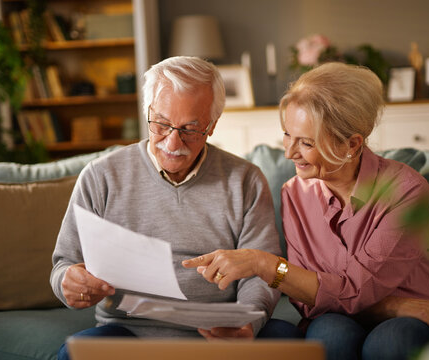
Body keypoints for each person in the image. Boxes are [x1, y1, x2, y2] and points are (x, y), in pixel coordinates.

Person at [183, 62, 429, 360]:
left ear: (351, 144)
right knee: (328, 333)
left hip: (421, 312)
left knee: (389, 342)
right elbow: (305, 302)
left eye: (306, 142)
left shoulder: (405, 190)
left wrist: (265, 264)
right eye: (287, 135)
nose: (289, 152)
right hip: (350, 313)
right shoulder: (294, 193)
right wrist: (391, 304)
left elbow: (352, 290)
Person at [50, 56, 282, 359]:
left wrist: (248, 321)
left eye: (190, 128)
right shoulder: (100, 176)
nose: (173, 142)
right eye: (161, 124)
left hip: (218, 332)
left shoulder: (245, 180)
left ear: (211, 126)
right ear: (148, 112)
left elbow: (261, 271)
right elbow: (64, 264)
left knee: (287, 338)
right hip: (128, 332)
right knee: (74, 353)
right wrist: (68, 282)